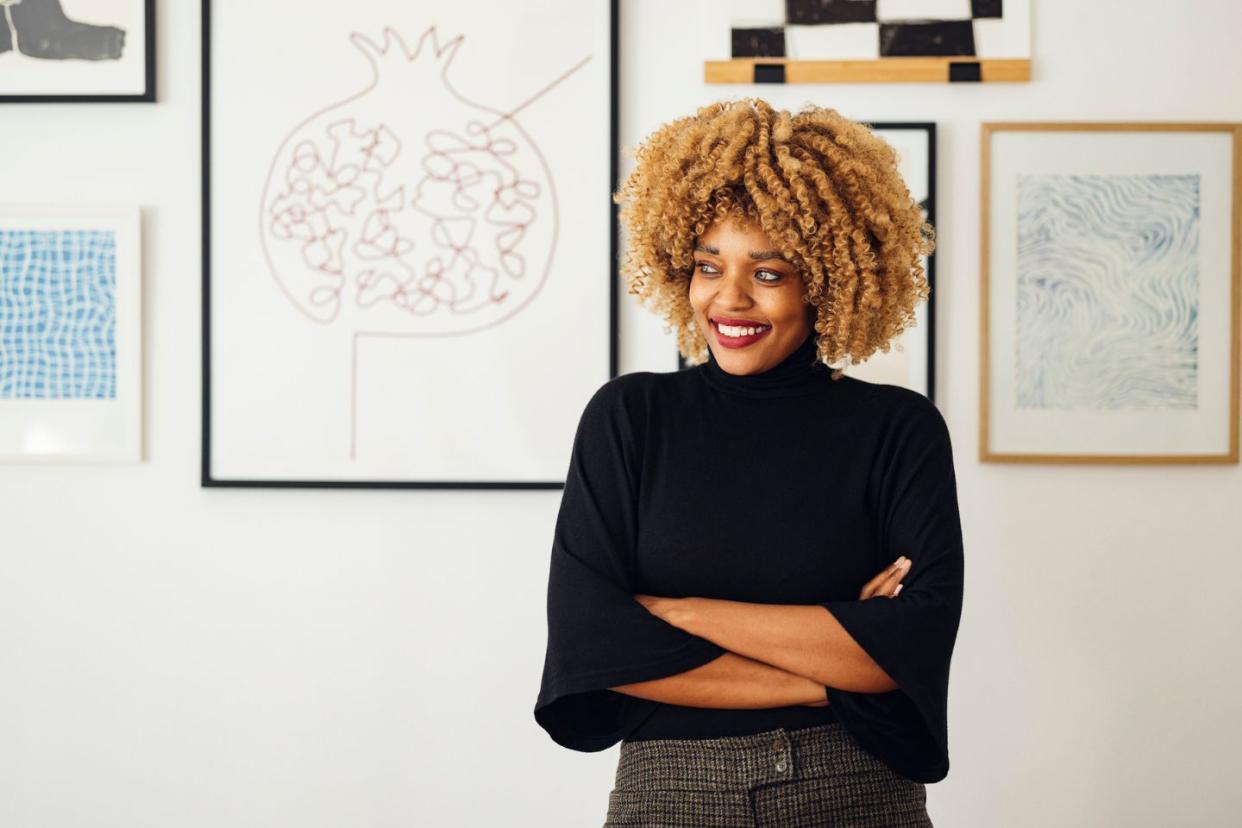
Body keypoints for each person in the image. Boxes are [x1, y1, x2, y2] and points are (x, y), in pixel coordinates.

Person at [534, 98, 963, 827]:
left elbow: (904, 651)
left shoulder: (898, 429)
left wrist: (680, 613)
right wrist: (829, 672)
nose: (728, 299)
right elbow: (591, 646)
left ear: (825, 280)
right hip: (670, 796)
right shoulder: (630, 418)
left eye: (768, 273)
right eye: (708, 266)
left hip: (853, 796)